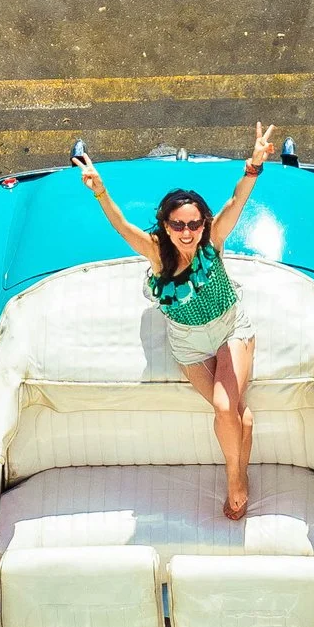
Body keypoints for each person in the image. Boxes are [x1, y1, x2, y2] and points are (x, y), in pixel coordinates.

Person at [77, 124, 278, 520]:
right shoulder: (156, 255)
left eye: (194, 224)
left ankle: (236, 482)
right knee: (241, 417)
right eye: (177, 225)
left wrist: (254, 165)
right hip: (188, 344)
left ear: (203, 223)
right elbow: (121, 226)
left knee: (225, 406)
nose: (187, 233)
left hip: (229, 329)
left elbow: (237, 201)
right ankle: (241, 466)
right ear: (165, 226)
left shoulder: (212, 241)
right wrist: (99, 189)